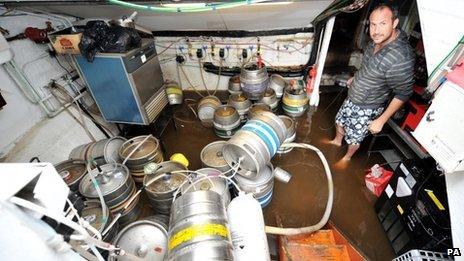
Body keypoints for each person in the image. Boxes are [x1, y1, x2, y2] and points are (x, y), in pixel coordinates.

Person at [325, 4, 415, 169]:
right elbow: (368, 66)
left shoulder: (401, 57)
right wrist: (356, 78)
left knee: (354, 137)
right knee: (340, 120)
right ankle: (337, 141)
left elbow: (403, 93)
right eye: (373, 24)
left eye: (382, 24)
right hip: (353, 96)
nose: (376, 30)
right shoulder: (373, 43)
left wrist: (381, 120)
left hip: (368, 106)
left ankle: (347, 157)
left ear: (394, 23)